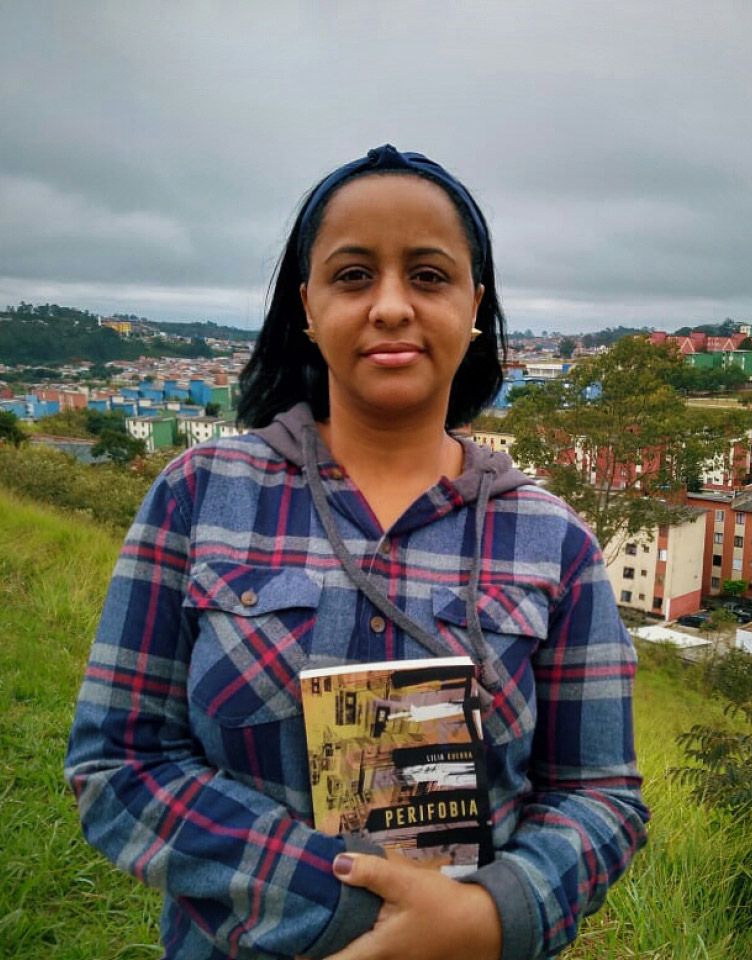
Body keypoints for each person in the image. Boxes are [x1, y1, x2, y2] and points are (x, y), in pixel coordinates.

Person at [66, 144, 649, 960]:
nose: (391, 306)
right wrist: (342, 902)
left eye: (429, 276)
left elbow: (599, 794)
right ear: (308, 306)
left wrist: (486, 920)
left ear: (474, 305)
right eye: (353, 275)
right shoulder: (200, 494)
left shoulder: (555, 542)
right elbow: (120, 761)